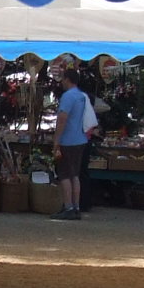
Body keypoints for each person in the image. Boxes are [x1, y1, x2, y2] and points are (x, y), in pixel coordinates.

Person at [52, 64, 97, 219]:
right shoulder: (82, 96)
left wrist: (56, 140)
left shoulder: (68, 96)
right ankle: (76, 206)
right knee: (75, 175)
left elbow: (62, 119)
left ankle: (68, 207)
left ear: (67, 79)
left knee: (64, 175)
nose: (61, 82)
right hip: (81, 138)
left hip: (68, 140)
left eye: (63, 79)